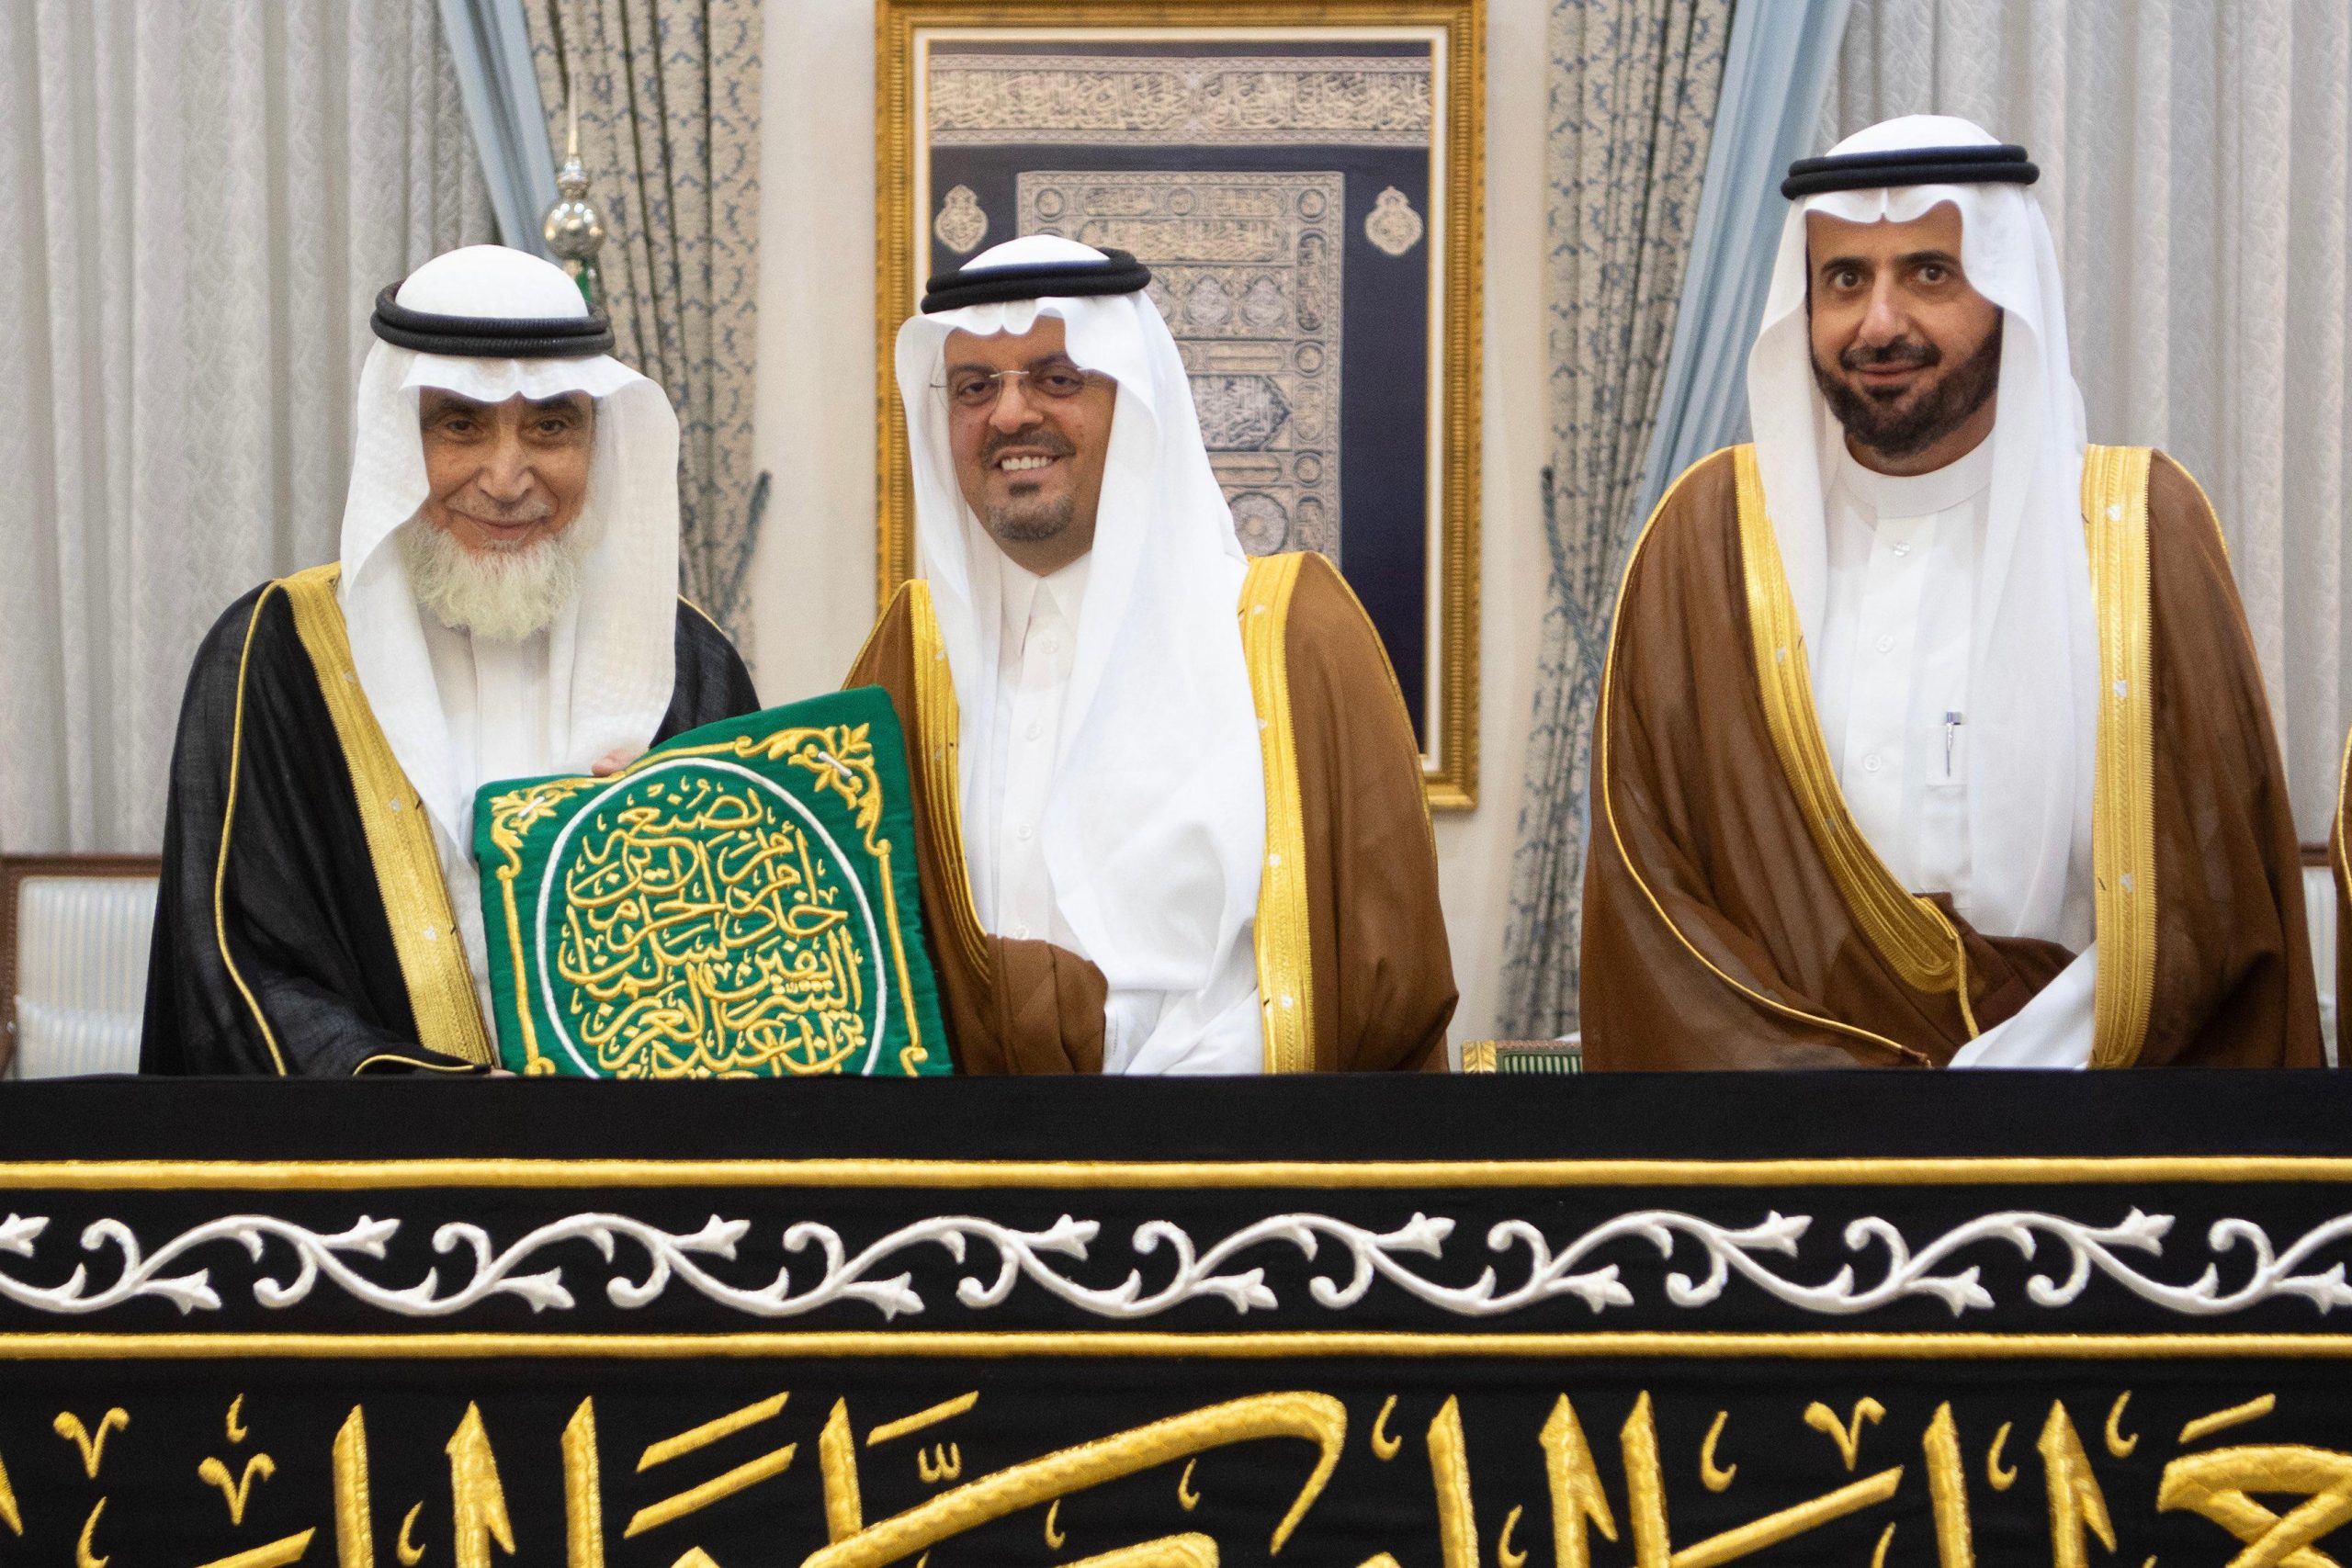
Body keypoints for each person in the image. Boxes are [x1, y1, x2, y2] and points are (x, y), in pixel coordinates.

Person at [1582, 117, 2321, 1069]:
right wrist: (1848, 1102)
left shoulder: (2139, 528)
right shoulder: (1708, 537)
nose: (1879, 323)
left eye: (1930, 273)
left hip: (2075, 1113)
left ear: (2009, 292)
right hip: (1784, 1130)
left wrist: (1994, 1093)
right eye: (1844, 279)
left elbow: (2208, 895)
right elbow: (1653, 889)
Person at [141, 245, 759, 1075]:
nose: (506, 478)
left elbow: (759, 960)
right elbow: (234, 971)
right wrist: (453, 1102)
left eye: (550, 425)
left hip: (635, 1152)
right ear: (398, 441)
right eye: (460, 424)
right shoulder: (274, 655)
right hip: (372, 1153)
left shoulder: (690, 667)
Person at [847, 236, 1454, 1073]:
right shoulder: (911, 662)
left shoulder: (1293, 636)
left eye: (1058, 378)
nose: (1010, 415)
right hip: (961, 1156)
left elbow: (1389, 988)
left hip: (1237, 1147)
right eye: (974, 387)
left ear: (1135, 402)